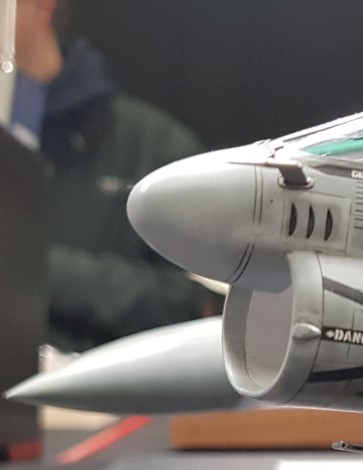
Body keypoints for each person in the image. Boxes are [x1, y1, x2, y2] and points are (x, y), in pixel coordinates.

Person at [13, 0, 215, 352]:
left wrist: (31, 267)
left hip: (109, 380)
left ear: (39, 6)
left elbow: (197, 304)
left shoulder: (153, 146)